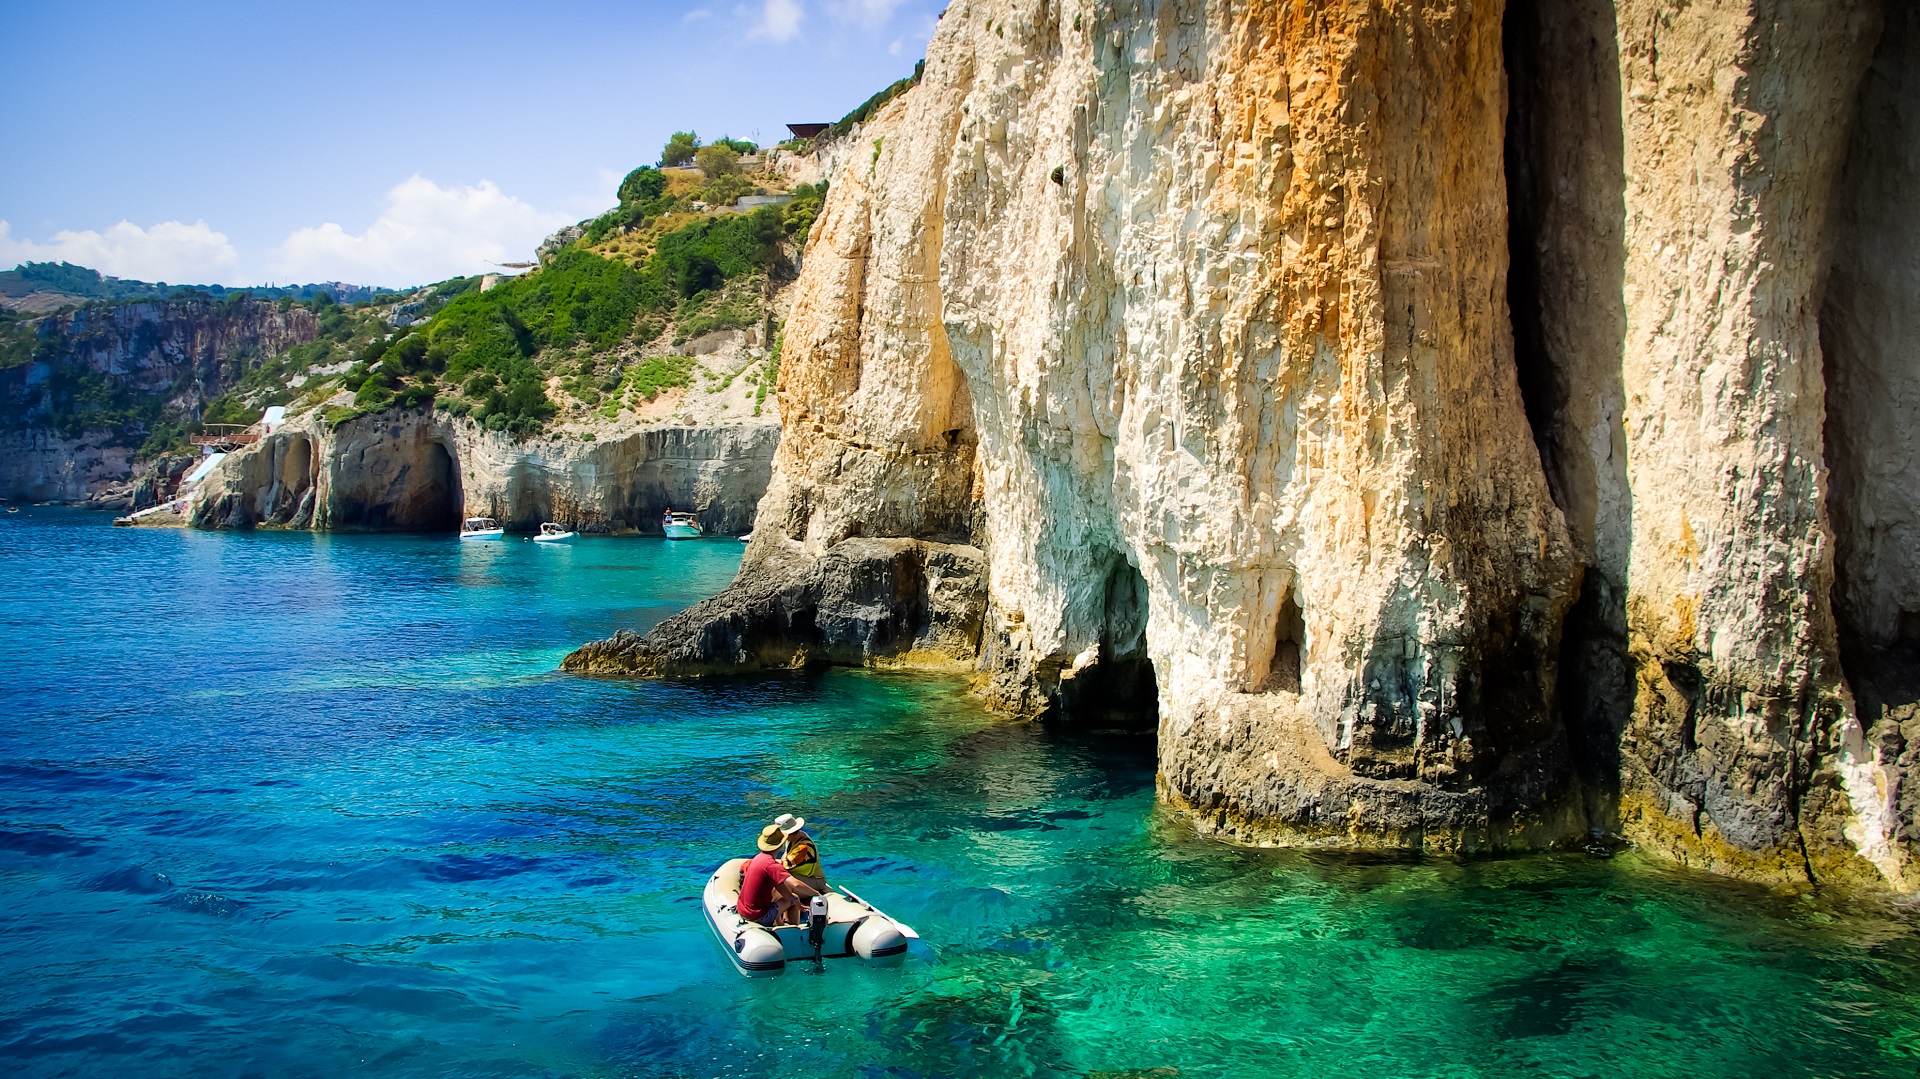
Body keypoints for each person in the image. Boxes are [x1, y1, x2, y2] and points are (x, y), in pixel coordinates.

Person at [736, 823, 818, 927]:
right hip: (759, 917)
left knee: (793, 898)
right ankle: (792, 930)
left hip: (743, 911)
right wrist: (817, 895)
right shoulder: (772, 865)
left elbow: (779, 885)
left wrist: (793, 899)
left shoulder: (758, 858)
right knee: (793, 899)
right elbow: (795, 884)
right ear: (780, 845)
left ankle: (782, 925)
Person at [774, 813, 827, 895]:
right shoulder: (793, 838)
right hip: (800, 874)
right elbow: (784, 858)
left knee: (781, 881)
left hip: (815, 880)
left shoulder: (803, 848)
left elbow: (783, 867)